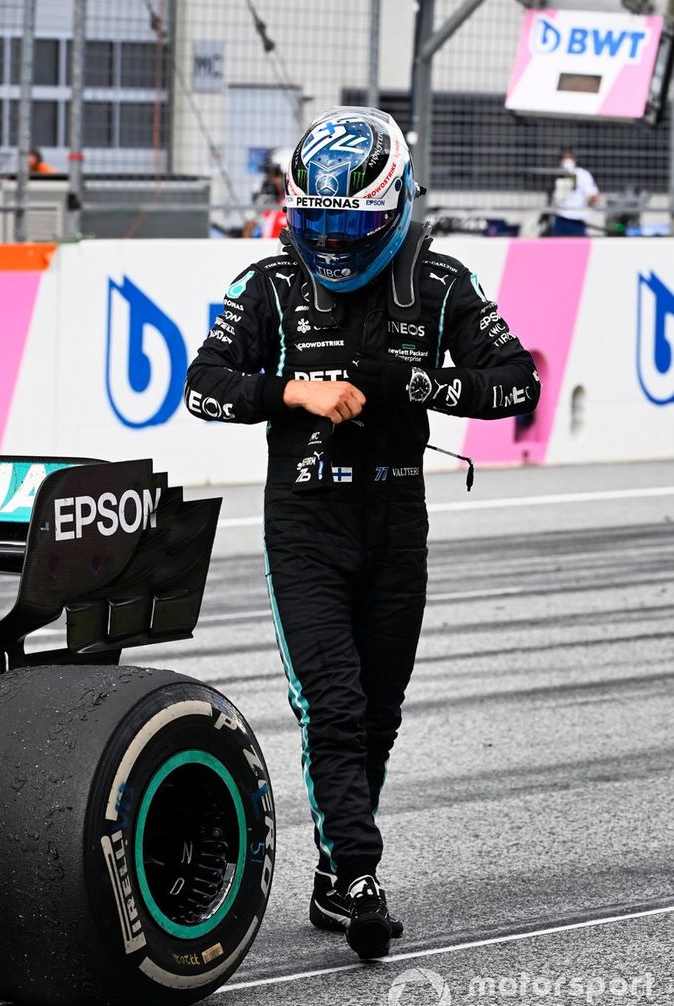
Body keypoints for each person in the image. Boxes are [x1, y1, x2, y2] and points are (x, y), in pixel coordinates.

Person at [184, 107, 541, 961]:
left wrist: (421, 383)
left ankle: (332, 873)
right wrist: (293, 392)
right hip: (306, 524)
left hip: (396, 521)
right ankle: (359, 874)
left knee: (378, 713)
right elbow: (202, 385)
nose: (333, 240)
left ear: (397, 204)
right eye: (318, 222)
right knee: (334, 708)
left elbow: (517, 381)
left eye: (351, 224)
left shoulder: (442, 281)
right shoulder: (268, 285)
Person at [550, 147, 599, 237]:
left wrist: (590, 202)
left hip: (577, 219)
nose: (567, 160)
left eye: (569, 157)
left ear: (574, 159)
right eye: (564, 157)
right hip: (560, 217)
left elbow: (593, 195)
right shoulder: (557, 173)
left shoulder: (583, 174)